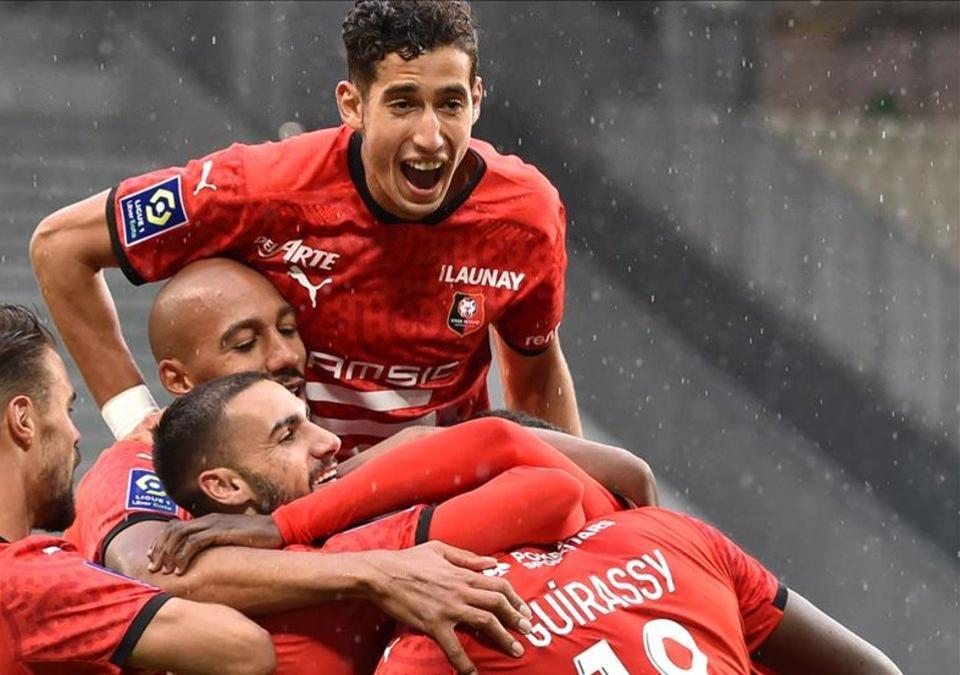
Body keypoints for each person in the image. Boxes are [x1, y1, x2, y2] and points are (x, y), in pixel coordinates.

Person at [31, 0, 582, 455]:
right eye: (403, 104)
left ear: (478, 101)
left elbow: (534, 368)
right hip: (283, 497)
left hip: (437, 498)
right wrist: (135, 424)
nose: (431, 136)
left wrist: (583, 505)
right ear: (353, 105)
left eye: (450, 103)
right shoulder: (256, 188)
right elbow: (60, 247)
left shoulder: (525, 214)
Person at [149, 373, 901, 675]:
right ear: (220, 485)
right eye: (290, 434)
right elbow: (553, 477)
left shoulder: (421, 625)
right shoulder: (662, 535)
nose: (331, 442)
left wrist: (310, 535)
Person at [64, 258, 540, 674]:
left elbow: (541, 478)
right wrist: (376, 572)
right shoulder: (137, 462)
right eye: (245, 344)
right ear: (178, 379)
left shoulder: (304, 447)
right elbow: (150, 573)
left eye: (289, 330)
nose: (285, 356)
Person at [0, 302, 275, 675]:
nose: (74, 434)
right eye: (66, 408)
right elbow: (246, 649)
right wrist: (141, 471)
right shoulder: (23, 581)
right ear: (23, 420)